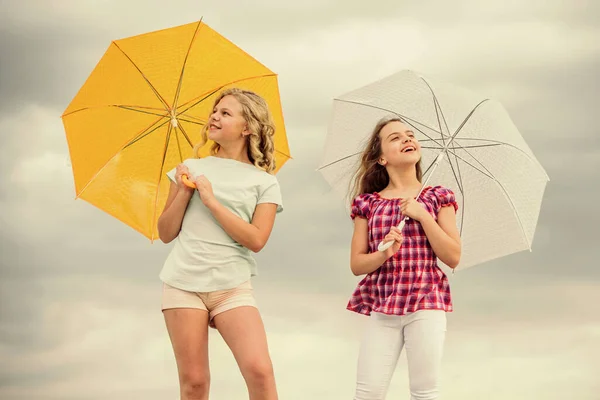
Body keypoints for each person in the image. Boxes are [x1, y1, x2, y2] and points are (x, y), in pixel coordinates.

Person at [157, 88, 283, 400]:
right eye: (215, 111)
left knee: (260, 371)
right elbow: (165, 232)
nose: (214, 116)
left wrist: (211, 201)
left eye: (226, 113)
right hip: (184, 284)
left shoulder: (264, 181)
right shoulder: (189, 168)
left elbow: (256, 239)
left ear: (247, 127)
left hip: (232, 287)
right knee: (195, 383)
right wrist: (185, 192)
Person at [347, 115, 462, 400]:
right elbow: (356, 264)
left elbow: (453, 256)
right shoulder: (368, 203)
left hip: (426, 302)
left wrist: (423, 215)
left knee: (424, 393)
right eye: (395, 137)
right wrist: (385, 253)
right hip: (383, 305)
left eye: (410, 134)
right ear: (381, 158)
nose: (407, 139)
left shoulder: (437, 197)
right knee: (368, 393)